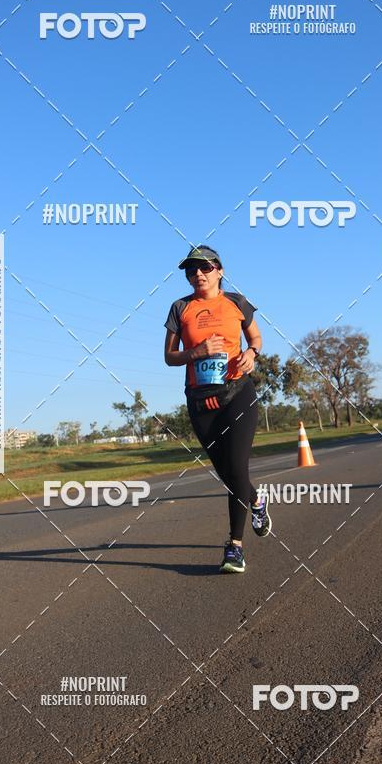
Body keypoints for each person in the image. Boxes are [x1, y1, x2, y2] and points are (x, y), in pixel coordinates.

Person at [163, 244, 271, 573]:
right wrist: (196, 352)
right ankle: (256, 500)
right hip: (200, 401)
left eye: (205, 268)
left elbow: (256, 339)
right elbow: (169, 356)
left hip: (237, 393)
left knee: (237, 467)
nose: (197, 274)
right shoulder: (180, 307)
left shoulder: (237, 302)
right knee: (227, 474)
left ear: (219, 271)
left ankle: (234, 548)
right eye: (190, 270)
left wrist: (251, 354)